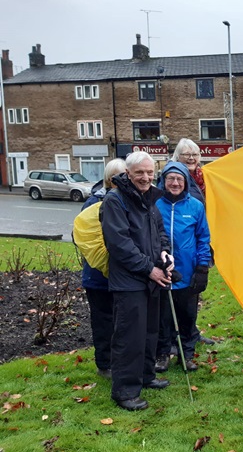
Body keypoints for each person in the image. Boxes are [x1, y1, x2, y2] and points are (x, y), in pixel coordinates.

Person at [101, 151, 174, 411]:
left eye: (149, 172)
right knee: (129, 336)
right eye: (140, 173)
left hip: (150, 278)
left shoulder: (149, 199)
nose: (145, 177)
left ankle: (146, 376)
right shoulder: (115, 201)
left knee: (149, 332)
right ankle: (125, 391)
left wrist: (165, 254)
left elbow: (160, 233)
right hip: (129, 281)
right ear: (128, 174)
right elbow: (119, 245)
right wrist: (149, 269)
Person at [155, 162, 212, 372]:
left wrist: (202, 268)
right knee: (162, 318)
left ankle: (186, 354)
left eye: (179, 179)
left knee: (188, 317)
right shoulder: (155, 204)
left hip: (188, 274)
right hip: (162, 272)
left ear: (186, 182)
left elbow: (203, 238)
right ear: (164, 181)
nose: (175, 183)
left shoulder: (195, 206)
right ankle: (162, 354)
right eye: (170, 178)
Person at [80, 158, 126, 379]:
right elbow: (84, 238)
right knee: (103, 320)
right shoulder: (93, 204)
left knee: (122, 320)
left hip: (124, 275)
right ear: (110, 179)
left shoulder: (130, 200)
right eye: (120, 177)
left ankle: (120, 361)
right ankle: (105, 364)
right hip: (98, 276)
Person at [158, 138, 205, 204]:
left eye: (195, 155)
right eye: (186, 154)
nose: (191, 158)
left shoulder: (203, 175)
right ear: (177, 156)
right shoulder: (169, 176)